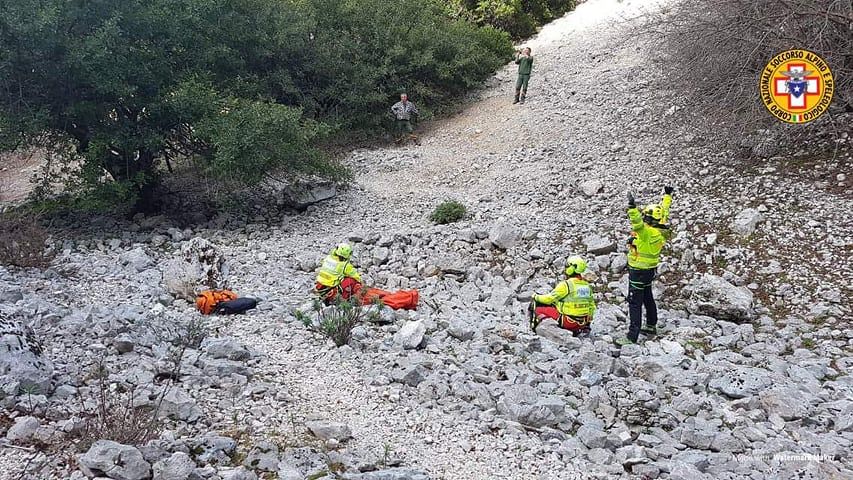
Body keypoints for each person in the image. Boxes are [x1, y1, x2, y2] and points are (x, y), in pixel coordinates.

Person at [614, 186, 674, 347]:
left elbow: (637, 224)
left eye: (645, 215)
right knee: (648, 296)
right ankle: (651, 325)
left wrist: (632, 208)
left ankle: (632, 336)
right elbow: (664, 210)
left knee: (635, 302)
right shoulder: (660, 229)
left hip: (638, 271)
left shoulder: (647, 232)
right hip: (650, 270)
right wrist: (667, 195)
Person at [528, 256, 596, 336]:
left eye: (567, 267)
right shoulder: (587, 286)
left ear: (571, 269)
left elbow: (549, 299)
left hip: (568, 322)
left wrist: (536, 296)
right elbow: (592, 307)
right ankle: (581, 330)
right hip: (583, 323)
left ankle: (541, 331)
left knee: (538, 309)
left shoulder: (566, 285)